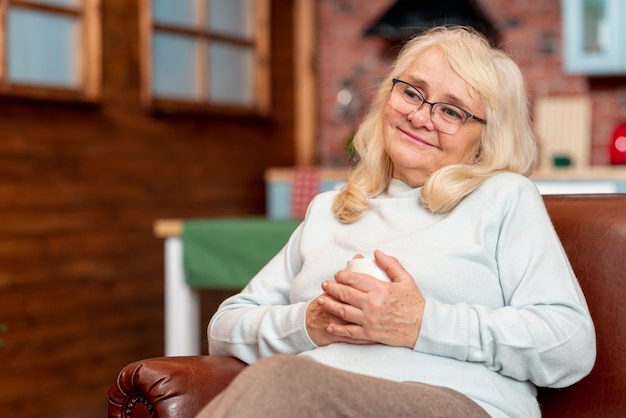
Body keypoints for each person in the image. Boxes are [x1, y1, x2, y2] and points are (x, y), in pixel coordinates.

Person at [195, 26, 595, 418]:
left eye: (452, 111)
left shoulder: (504, 197)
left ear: (486, 141)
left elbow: (568, 345)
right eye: (411, 92)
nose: (421, 117)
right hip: (317, 397)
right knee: (285, 383)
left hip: (455, 402)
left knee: (282, 381)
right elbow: (226, 327)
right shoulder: (329, 209)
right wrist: (312, 323)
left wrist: (421, 322)